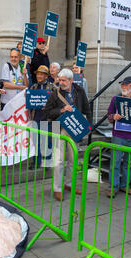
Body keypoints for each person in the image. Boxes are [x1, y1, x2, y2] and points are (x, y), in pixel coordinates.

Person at [43, 68, 91, 201]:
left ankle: (69, 184)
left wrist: (88, 126)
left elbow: (87, 108)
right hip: (59, 129)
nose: (61, 82)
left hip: (74, 130)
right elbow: (47, 112)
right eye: (60, 79)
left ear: (71, 80)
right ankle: (57, 188)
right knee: (58, 160)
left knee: (73, 159)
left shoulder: (80, 91)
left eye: (64, 80)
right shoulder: (55, 93)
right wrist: (62, 109)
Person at [28, 65, 57, 169]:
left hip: (47, 119)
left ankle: (47, 162)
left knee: (47, 142)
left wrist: (49, 105)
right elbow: (29, 101)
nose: (39, 76)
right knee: (36, 141)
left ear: (46, 76)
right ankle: (36, 162)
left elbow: (57, 102)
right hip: (36, 117)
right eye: (38, 74)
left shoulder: (53, 87)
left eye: (41, 74)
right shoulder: (33, 87)